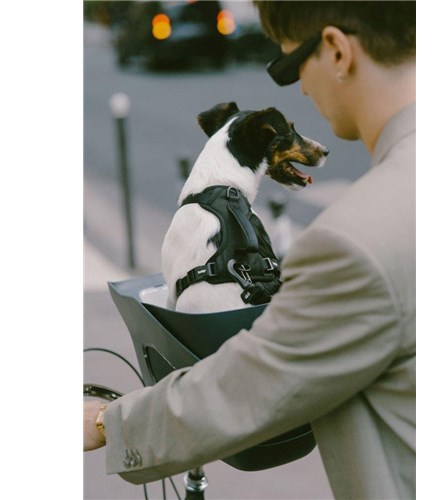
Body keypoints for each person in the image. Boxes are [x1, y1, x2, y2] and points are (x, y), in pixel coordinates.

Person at [84, 1, 416, 498]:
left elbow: (248, 389)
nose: (301, 88)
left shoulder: (352, 242)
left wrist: (106, 422)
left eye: (287, 66)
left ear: (336, 51)